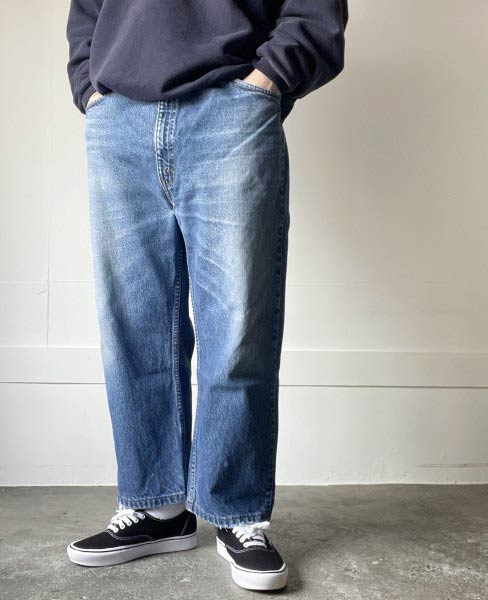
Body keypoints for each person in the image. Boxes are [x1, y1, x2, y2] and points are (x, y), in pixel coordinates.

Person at [65, 0, 347, 591]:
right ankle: (157, 507)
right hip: (119, 120)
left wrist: (266, 81)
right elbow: (88, 9)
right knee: (133, 326)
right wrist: (89, 88)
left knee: (237, 326)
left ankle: (237, 511)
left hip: (231, 110)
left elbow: (315, 9)